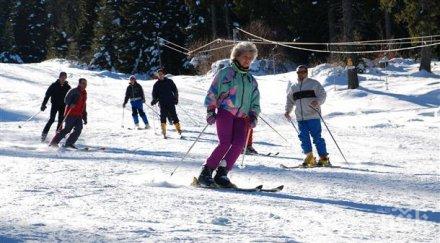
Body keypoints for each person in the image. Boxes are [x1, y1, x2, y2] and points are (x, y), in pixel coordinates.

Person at [198, 41, 261, 187]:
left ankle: (222, 173)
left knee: (239, 145)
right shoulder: (226, 73)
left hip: (243, 117)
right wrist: (210, 110)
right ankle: (206, 172)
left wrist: (253, 114)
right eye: (245, 56)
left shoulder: (251, 80)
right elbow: (213, 91)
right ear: (237, 56)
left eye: (250, 58)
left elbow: (255, 100)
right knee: (225, 143)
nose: (247, 60)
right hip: (226, 112)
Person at [284, 65, 330, 167]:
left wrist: (317, 101)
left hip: (313, 115)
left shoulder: (314, 84)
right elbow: (289, 100)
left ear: (307, 72)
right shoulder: (294, 87)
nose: (301, 74)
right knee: (303, 137)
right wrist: (287, 111)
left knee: (317, 137)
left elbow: (323, 95)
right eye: (299, 72)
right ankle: (309, 157)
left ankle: (324, 158)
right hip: (301, 117)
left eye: (303, 72)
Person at [49, 78, 88, 149]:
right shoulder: (74, 91)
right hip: (71, 113)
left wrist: (84, 116)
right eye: (83, 83)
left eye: (85, 83)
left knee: (79, 128)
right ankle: (54, 142)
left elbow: (84, 105)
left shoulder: (84, 93)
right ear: (79, 83)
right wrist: (70, 104)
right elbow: (66, 100)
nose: (85, 85)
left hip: (78, 114)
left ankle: (69, 143)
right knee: (67, 129)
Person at [40, 72, 71, 142]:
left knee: (61, 121)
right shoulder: (54, 85)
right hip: (55, 105)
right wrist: (43, 104)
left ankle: (56, 138)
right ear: (59, 77)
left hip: (63, 106)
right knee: (52, 119)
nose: (63, 79)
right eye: (62, 77)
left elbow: (70, 97)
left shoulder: (68, 87)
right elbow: (47, 95)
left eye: (64, 77)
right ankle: (43, 135)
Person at [151, 68, 181, 138]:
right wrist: (154, 100)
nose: (160, 75)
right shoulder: (156, 84)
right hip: (162, 103)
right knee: (163, 116)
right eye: (159, 74)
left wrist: (176, 98)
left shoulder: (169, 81)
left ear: (164, 74)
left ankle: (179, 130)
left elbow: (175, 90)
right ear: (158, 75)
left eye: (161, 74)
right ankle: (164, 131)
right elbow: (154, 94)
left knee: (174, 115)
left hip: (170, 101)